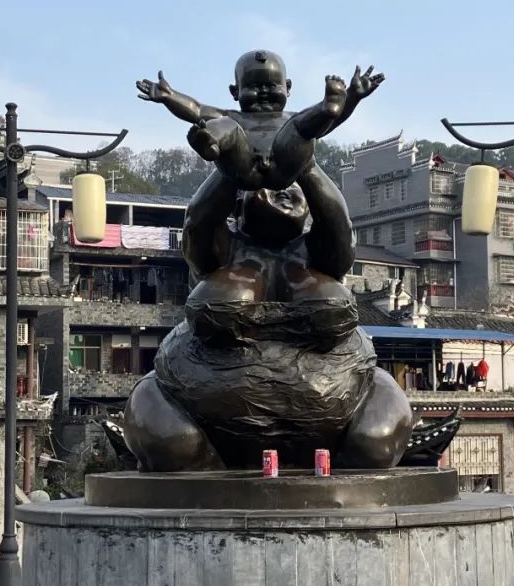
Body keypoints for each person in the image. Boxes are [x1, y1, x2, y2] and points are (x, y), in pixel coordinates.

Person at [123, 52, 411, 471]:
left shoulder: (317, 251)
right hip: (201, 428)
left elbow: (339, 221)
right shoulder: (225, 250)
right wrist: (228, 170)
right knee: (174, 446)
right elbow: (197, 221)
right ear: (239, 205)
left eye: (289, 189)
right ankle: (220, 146)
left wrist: (306, 163)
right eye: (263, 189)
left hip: (342, 421)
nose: (278, 192)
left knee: (374, 444)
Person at [136, 50, 383, 192]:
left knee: (303, 127)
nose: (264, 92)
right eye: (253, 87)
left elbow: (333, 123)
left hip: (285, 165)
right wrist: (170, 96)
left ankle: (327, 108)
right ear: (235, 92)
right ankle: (210, 142)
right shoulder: (235, 117)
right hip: (245, 168)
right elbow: (197, 109)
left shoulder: (291, 119)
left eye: (272, 86)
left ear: (288, 87)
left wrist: (352, 98)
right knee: (225, 125)